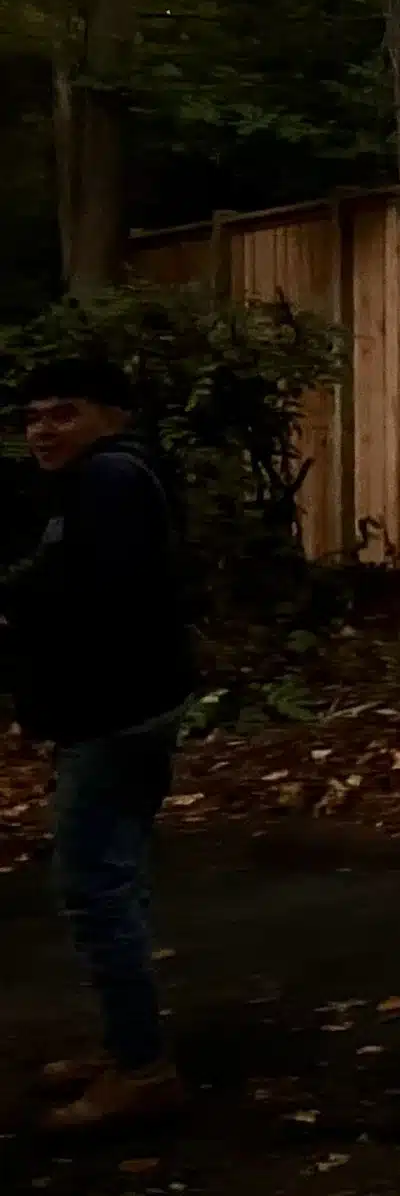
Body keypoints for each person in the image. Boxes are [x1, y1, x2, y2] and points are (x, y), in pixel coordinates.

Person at [1, 356, 197, 1132]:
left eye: (63, 412)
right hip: (125, 707)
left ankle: (143, 1070)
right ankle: (128, 1044)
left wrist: (20, 620)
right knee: (115, 877)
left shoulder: (110, 482)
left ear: (111, 414)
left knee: (93, 887)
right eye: (32, 417)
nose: (43, 429)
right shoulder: (99, 482)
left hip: (113, 716)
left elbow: (94, 599)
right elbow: (59, 576)